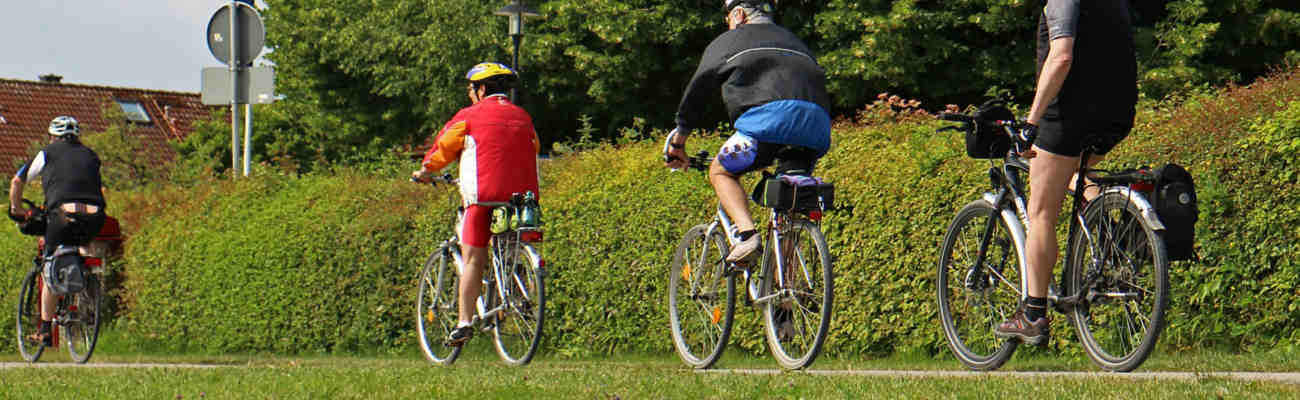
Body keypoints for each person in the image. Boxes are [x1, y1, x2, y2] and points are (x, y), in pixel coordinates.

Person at [994, 0, 1138, 344]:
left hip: (1070, 117)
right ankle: (1107, 231)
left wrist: (1031, 122)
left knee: (1041, 212)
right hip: (1117, 114)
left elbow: (1061, 56)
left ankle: (1032, 314)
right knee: (1070, 173)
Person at [663, 0, 832, 266]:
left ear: (739, 15)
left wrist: (679, 139)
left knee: (720, 171)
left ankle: (748, 236)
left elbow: (698, 90)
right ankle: (785, 294)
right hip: (816, 127)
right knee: (789, 203)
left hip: (768, 122)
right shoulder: (795, 41)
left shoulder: (730, 40)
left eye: (728, 17)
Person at [412, 62, 540, 346]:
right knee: (509, 245)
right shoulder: (523, 117)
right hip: (522, 199)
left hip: (483, 197)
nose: (471, 95)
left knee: (472, 259)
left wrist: (425, 172)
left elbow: (443, 149)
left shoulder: (468, 116)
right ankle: (516, 290)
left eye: (472, 89)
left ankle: (464, 322)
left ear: (481, 89)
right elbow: (535, 147)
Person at [9, 116, 108, 346]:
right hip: (96, 217)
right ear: (78, 136)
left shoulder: (47, 152)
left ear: (52, 136)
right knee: (80, 245)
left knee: (50, 265)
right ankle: (84, 282)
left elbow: (16, 182)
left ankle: (44, 331)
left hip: (62, 216)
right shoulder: (91, 155)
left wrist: (16, 209)